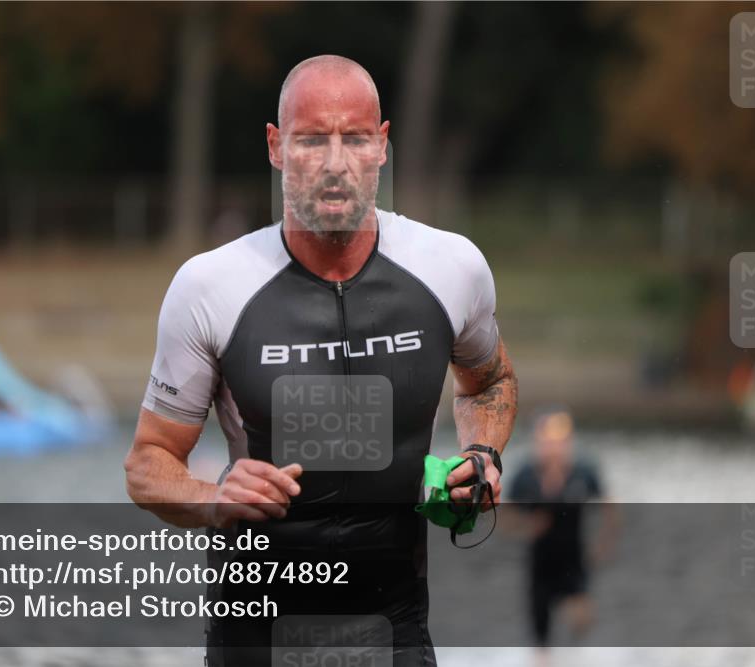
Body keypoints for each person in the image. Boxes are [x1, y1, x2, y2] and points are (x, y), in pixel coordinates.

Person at [124, 54, 518, 666]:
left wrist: (482, 456)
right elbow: (147, 464)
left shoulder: (451, 267)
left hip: (394, 628)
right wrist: (212, 497)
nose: (335, 165)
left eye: (355, 138)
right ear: (277, 147)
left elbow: (488, 381)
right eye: (312, 140)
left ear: (382, 146)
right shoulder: (211, 286)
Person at [507, 409, 619, 660]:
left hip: (574, 559)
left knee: (580, 618)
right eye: (548, 441)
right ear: (537, 442)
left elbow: (610, 507)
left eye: (560, 441)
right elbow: (503, 516)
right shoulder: (526, 476)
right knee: (541, 640)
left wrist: (604, 544)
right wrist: (527, 526)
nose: (554, 447)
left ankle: (572, 655)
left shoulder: (583, 472)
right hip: (540, 565)